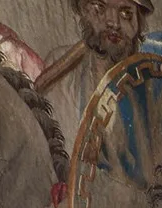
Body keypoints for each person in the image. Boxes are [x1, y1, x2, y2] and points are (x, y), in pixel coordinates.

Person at [37, 0, 151, 148]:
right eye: (99, 8)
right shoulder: (61, 72)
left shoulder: (149, 81)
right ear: (84, 11)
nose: (114, 23)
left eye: (125, 13)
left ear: (138, 21)